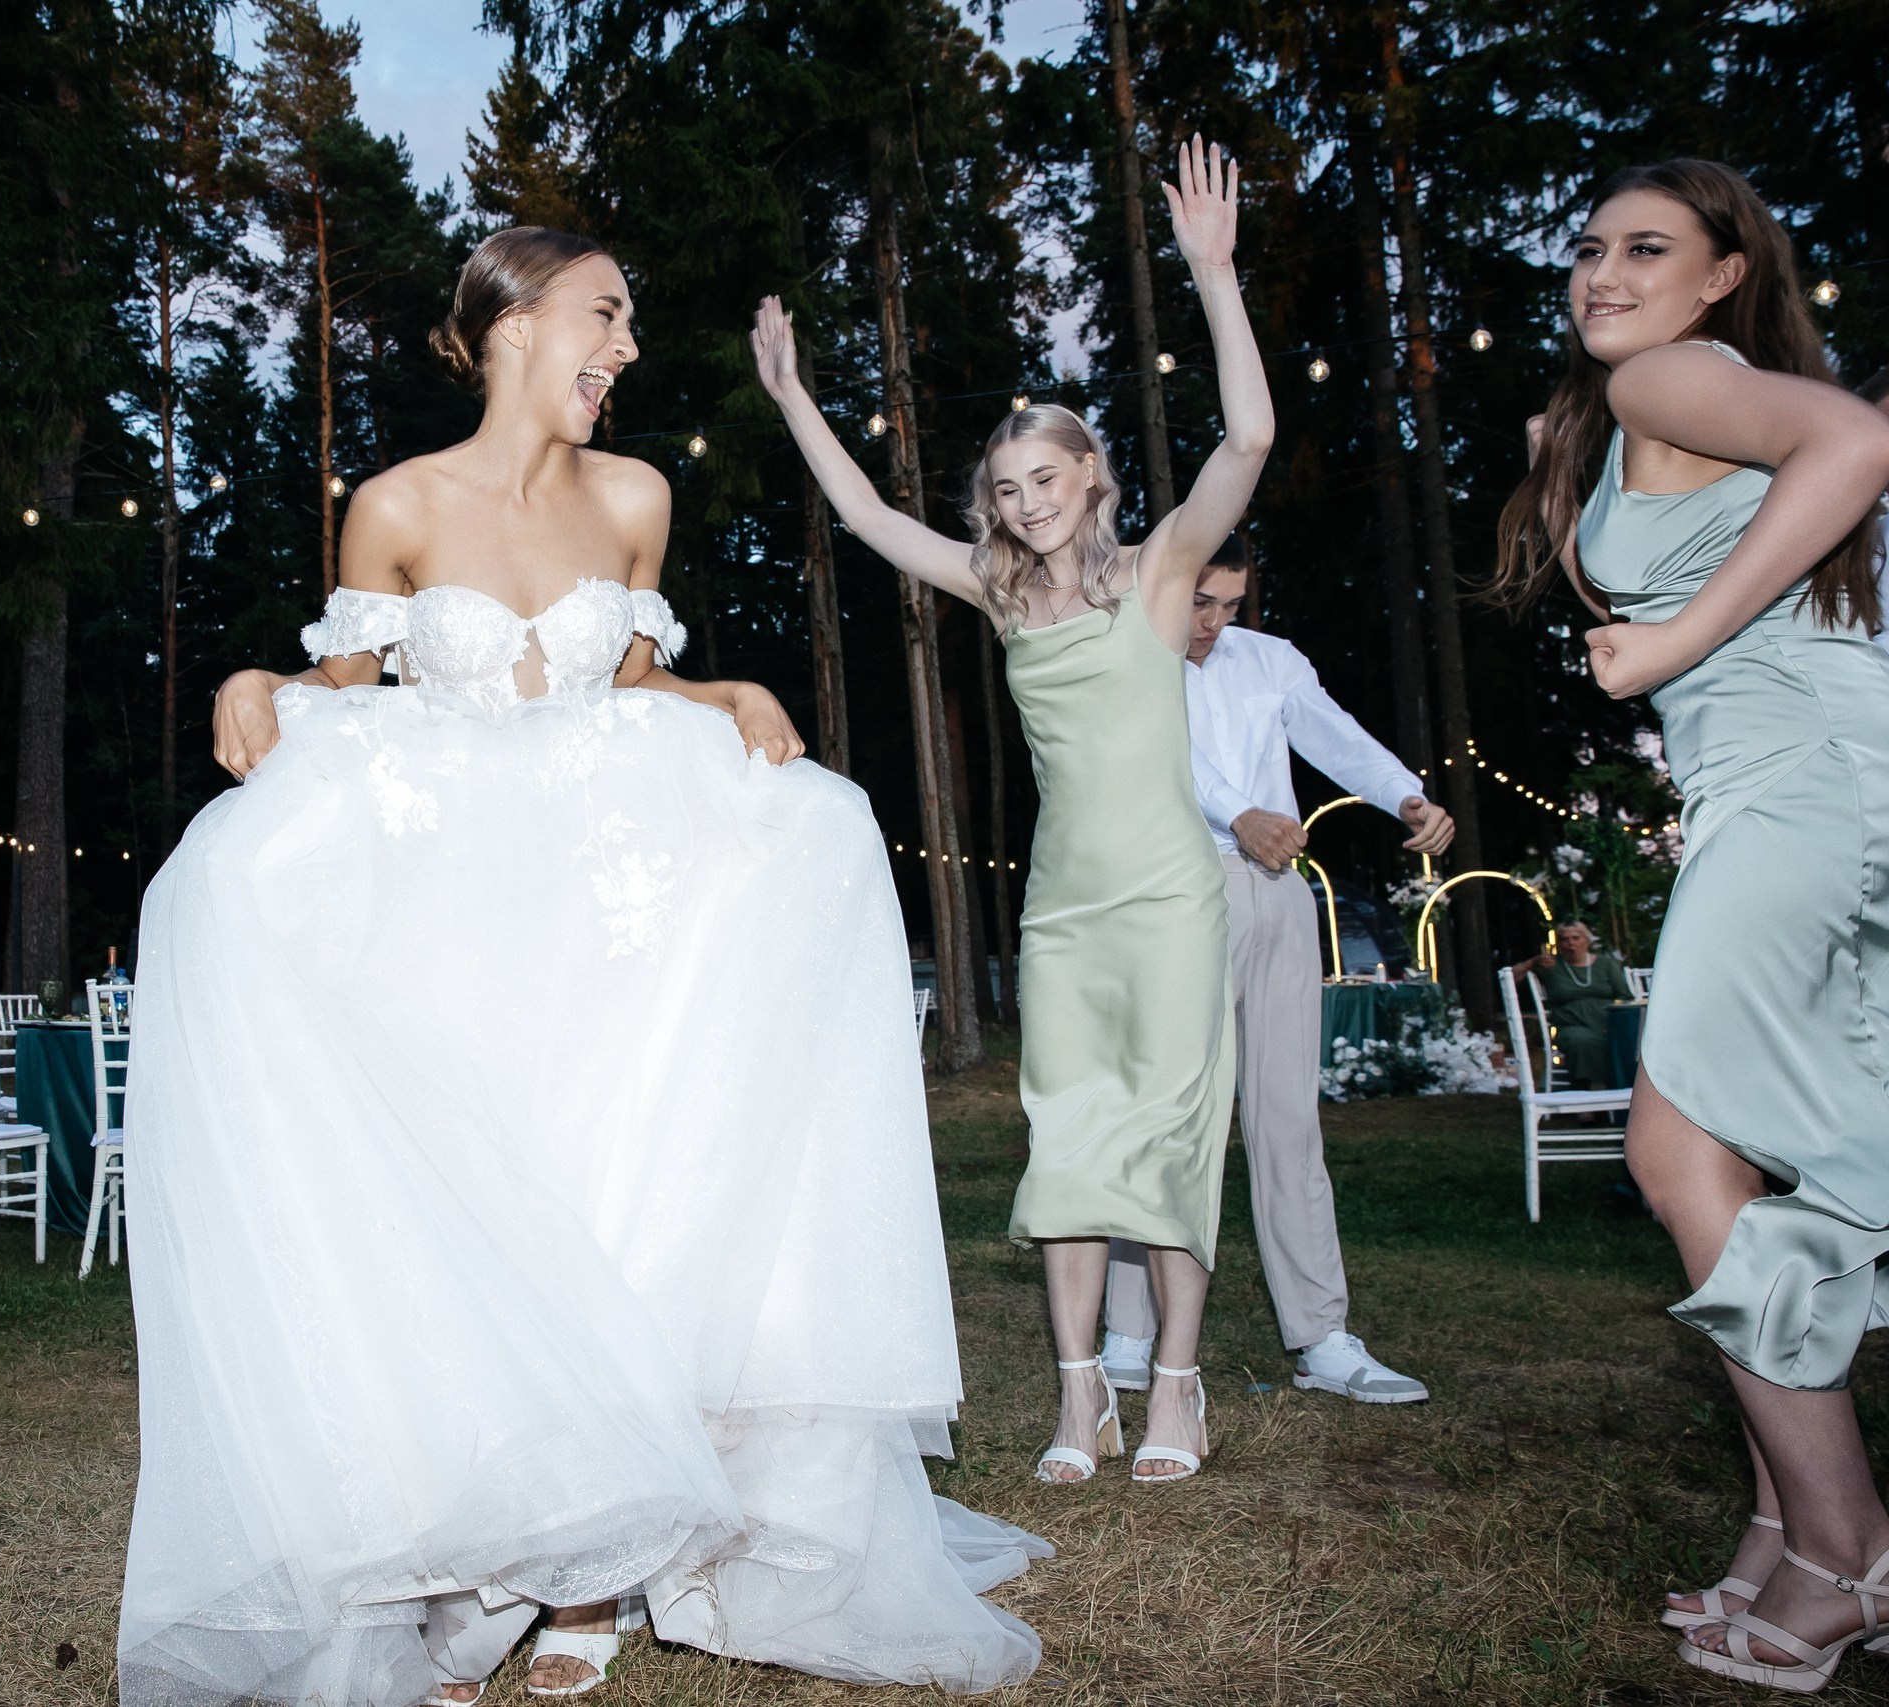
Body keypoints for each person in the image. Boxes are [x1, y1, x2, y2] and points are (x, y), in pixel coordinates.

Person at [117, 227, 1044, 1707]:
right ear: (511, 323)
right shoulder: (397, 505)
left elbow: (632, 683)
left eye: (627, 322)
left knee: (627, 1196)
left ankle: (595, 1577)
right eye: (603, 315)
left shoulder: (635, 496)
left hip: (613, 909)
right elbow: (343, 695)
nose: (624, 346)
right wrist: (247, 675)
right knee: (496, 1223)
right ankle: (489, 1542)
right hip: (462, 917)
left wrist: (727, 689)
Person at [754, 136, 1267, 1488]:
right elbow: (866, 514)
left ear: (1092, 475)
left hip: (1170, 898)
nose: (1026, 503)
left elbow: (1250, 439)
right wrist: (795, 393)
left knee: (1171, 1134)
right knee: (1070, 1141)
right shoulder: (1000, 592)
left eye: (1047, 479)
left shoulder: (1161, 574)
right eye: (1005, 487)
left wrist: (1213, 274)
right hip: (1065, 908)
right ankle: (1079, 1391)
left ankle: (1177, 1383)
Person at [1491, 158, 1889, 1691]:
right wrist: (1573, 483)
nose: (1602, 271)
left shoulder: (1670, 373)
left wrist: (1672, 639)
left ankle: (1847, 1548)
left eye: (1647, 248)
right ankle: (1786, 1526)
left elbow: (1859, 440)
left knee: (1675, 1151)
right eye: (1589, 245)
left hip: (1803, 778)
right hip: (1781, 782)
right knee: (1718, 1158)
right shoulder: (1652, 404)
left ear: (1724, 273)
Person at [1095, 535, 1450, 1407]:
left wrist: (1404, 793)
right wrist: (1240, 812)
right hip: (1177, 889)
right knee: (1167, 1116)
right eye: (1199, 602)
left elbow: (1336, 736)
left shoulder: (1271, 659)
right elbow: (1159, 756)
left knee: (1289, 1117)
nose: (1212, 623)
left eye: (1229, 605)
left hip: (1280, 892)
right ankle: (1129, 1332)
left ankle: (1322, 1335)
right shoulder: (1126, 652)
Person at [1506, 920, 1634, 1089]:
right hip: (1572, 1025)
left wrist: (1615, 1023)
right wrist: (1533, 962)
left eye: (1575, 938)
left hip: (1606, 1024)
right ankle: (1587, 1089)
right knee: (1580, 1040)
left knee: (1629, 1039)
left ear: (1587, 940)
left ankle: (1624, 1088)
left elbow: (1625, 997)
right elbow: (1509, 977)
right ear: (1558, 944)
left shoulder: (1605, 964)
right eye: (1564, 939)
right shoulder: (1551, 966)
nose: (1570, 943)